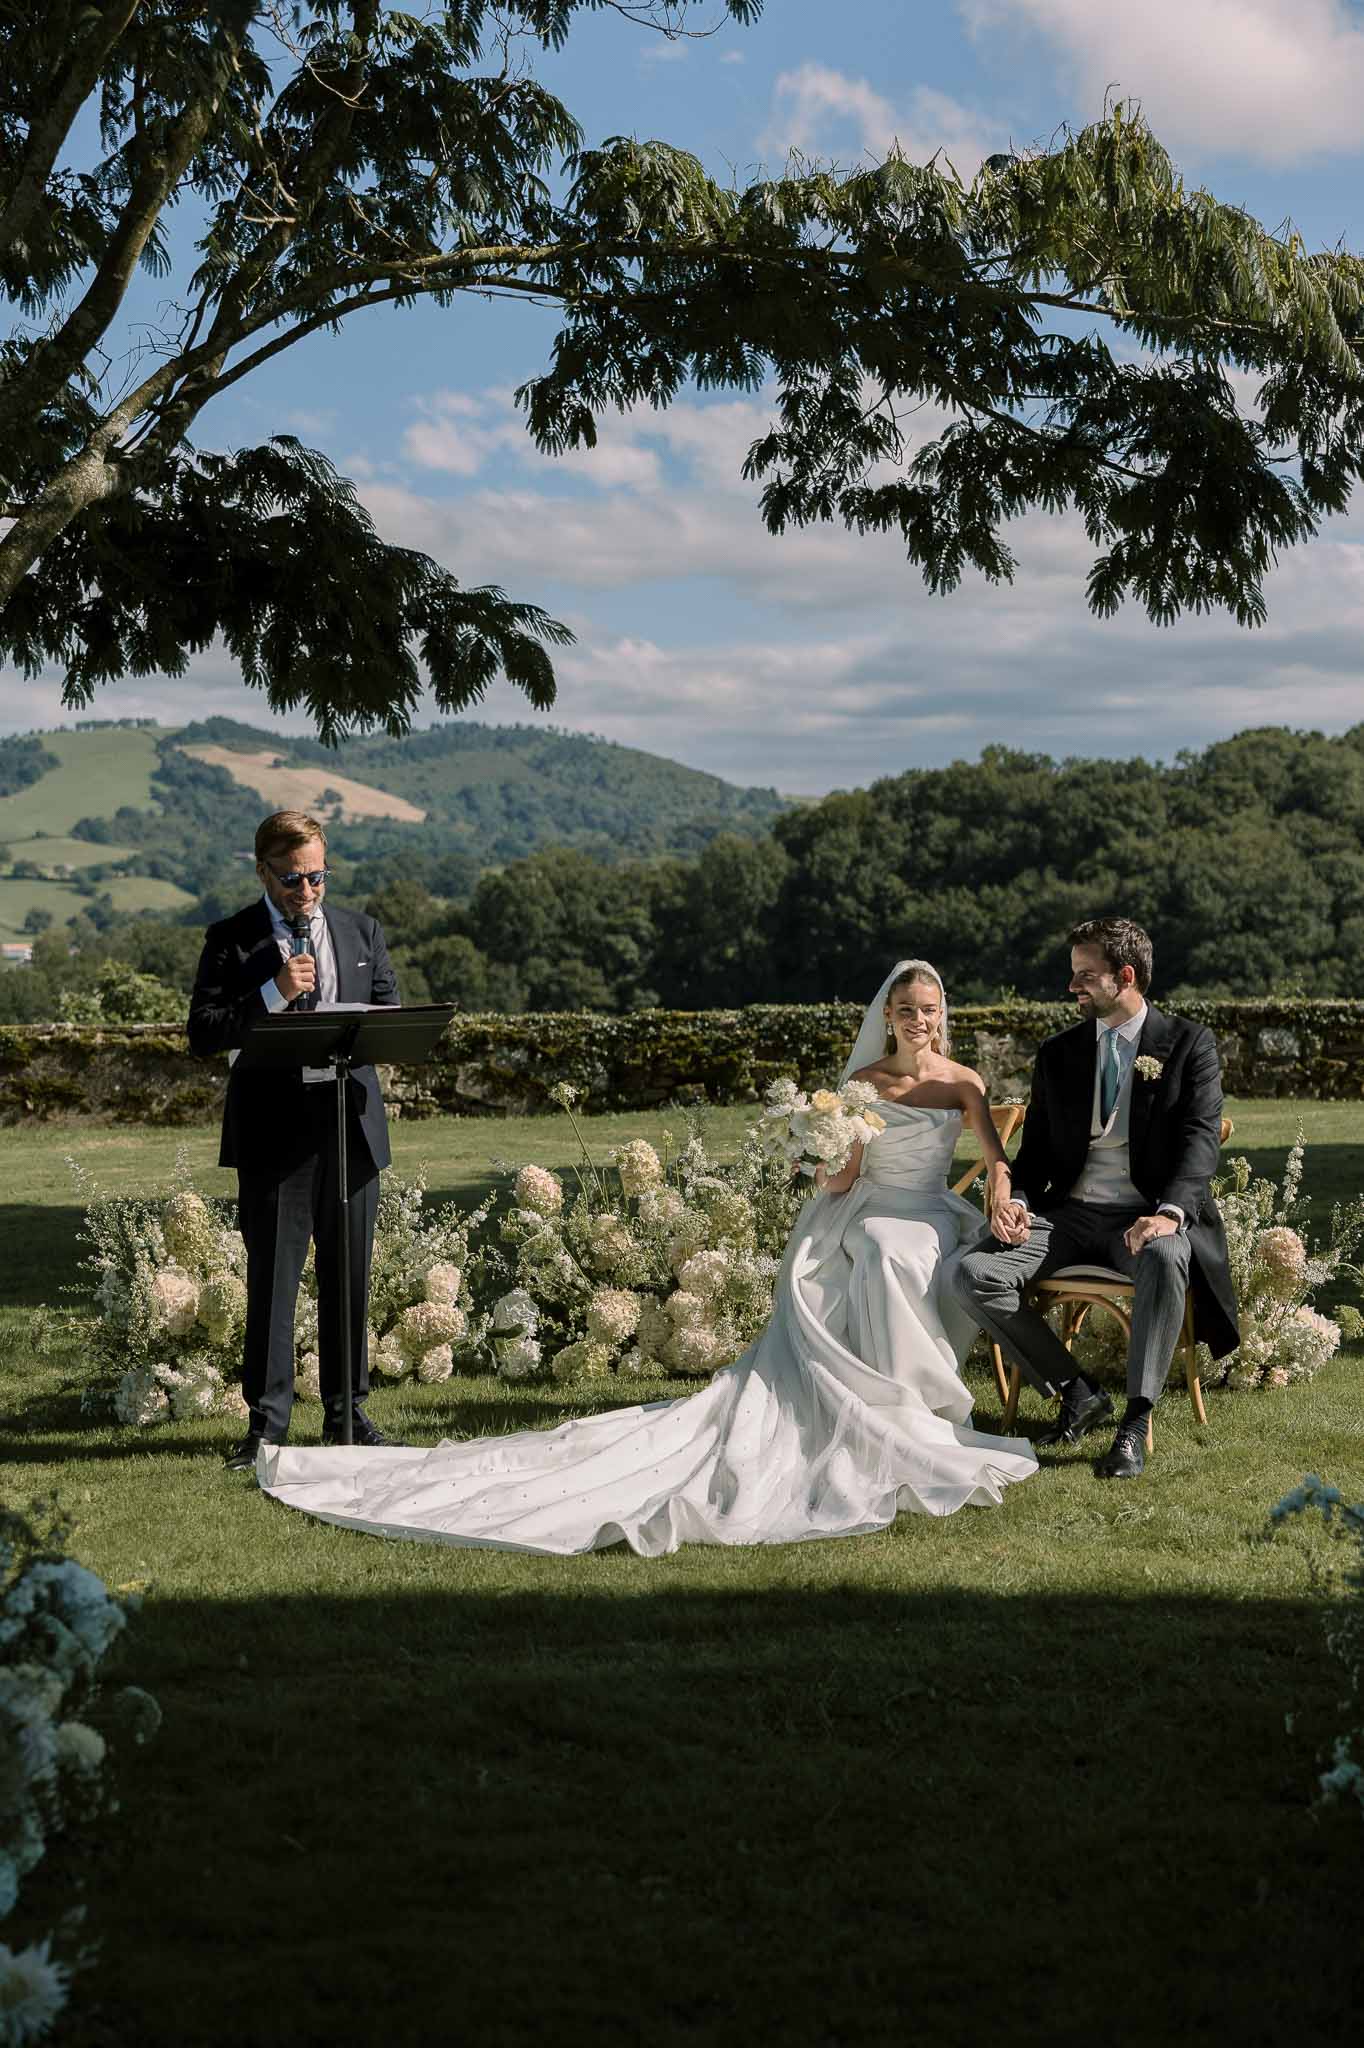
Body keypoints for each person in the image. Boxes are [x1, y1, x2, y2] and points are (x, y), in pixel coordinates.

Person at [256, 959, 1037, 1555]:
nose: (919, 1023)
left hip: (934, 1206)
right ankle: (895, 1413)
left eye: (929, 1012)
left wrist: (1001, 1193)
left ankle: (919, 1408)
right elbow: (844, 1179)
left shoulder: (965, 1081)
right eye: (906, 1012)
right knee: (875, 1248)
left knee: (906, 1252)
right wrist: (829, 1141)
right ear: (889, 1017)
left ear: (943, 1016)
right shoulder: (861, 1083)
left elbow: (996, 1157)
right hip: (870, 1209)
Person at [952, 916, 1239, 1480]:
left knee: (1164, 1255)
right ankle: (1077, 1391)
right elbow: (1033, 1158)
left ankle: (1134, 1421)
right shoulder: (1059, 1053)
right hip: (1070, 1218)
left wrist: (1167, 1215)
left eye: (1086, 976)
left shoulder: (1188, 1046)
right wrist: (1019, 1203)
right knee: (973, 1272)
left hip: (1145, 1219)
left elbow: (1201, 1145)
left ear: (1125, 976)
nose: (1073, 987)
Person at [187, 808, 401, 1468]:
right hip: (274, 1131)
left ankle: (347, 1413)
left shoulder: (361, 931)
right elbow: (204, 1031)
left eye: (316, 878)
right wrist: (273, 993)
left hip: (350, 1127)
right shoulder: (232, 940)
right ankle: (268, 1425)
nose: (305, 892)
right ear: (263, 872)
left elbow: (390, 1010)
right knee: (275, 1280)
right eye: (290, 880)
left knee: (349, 1277)